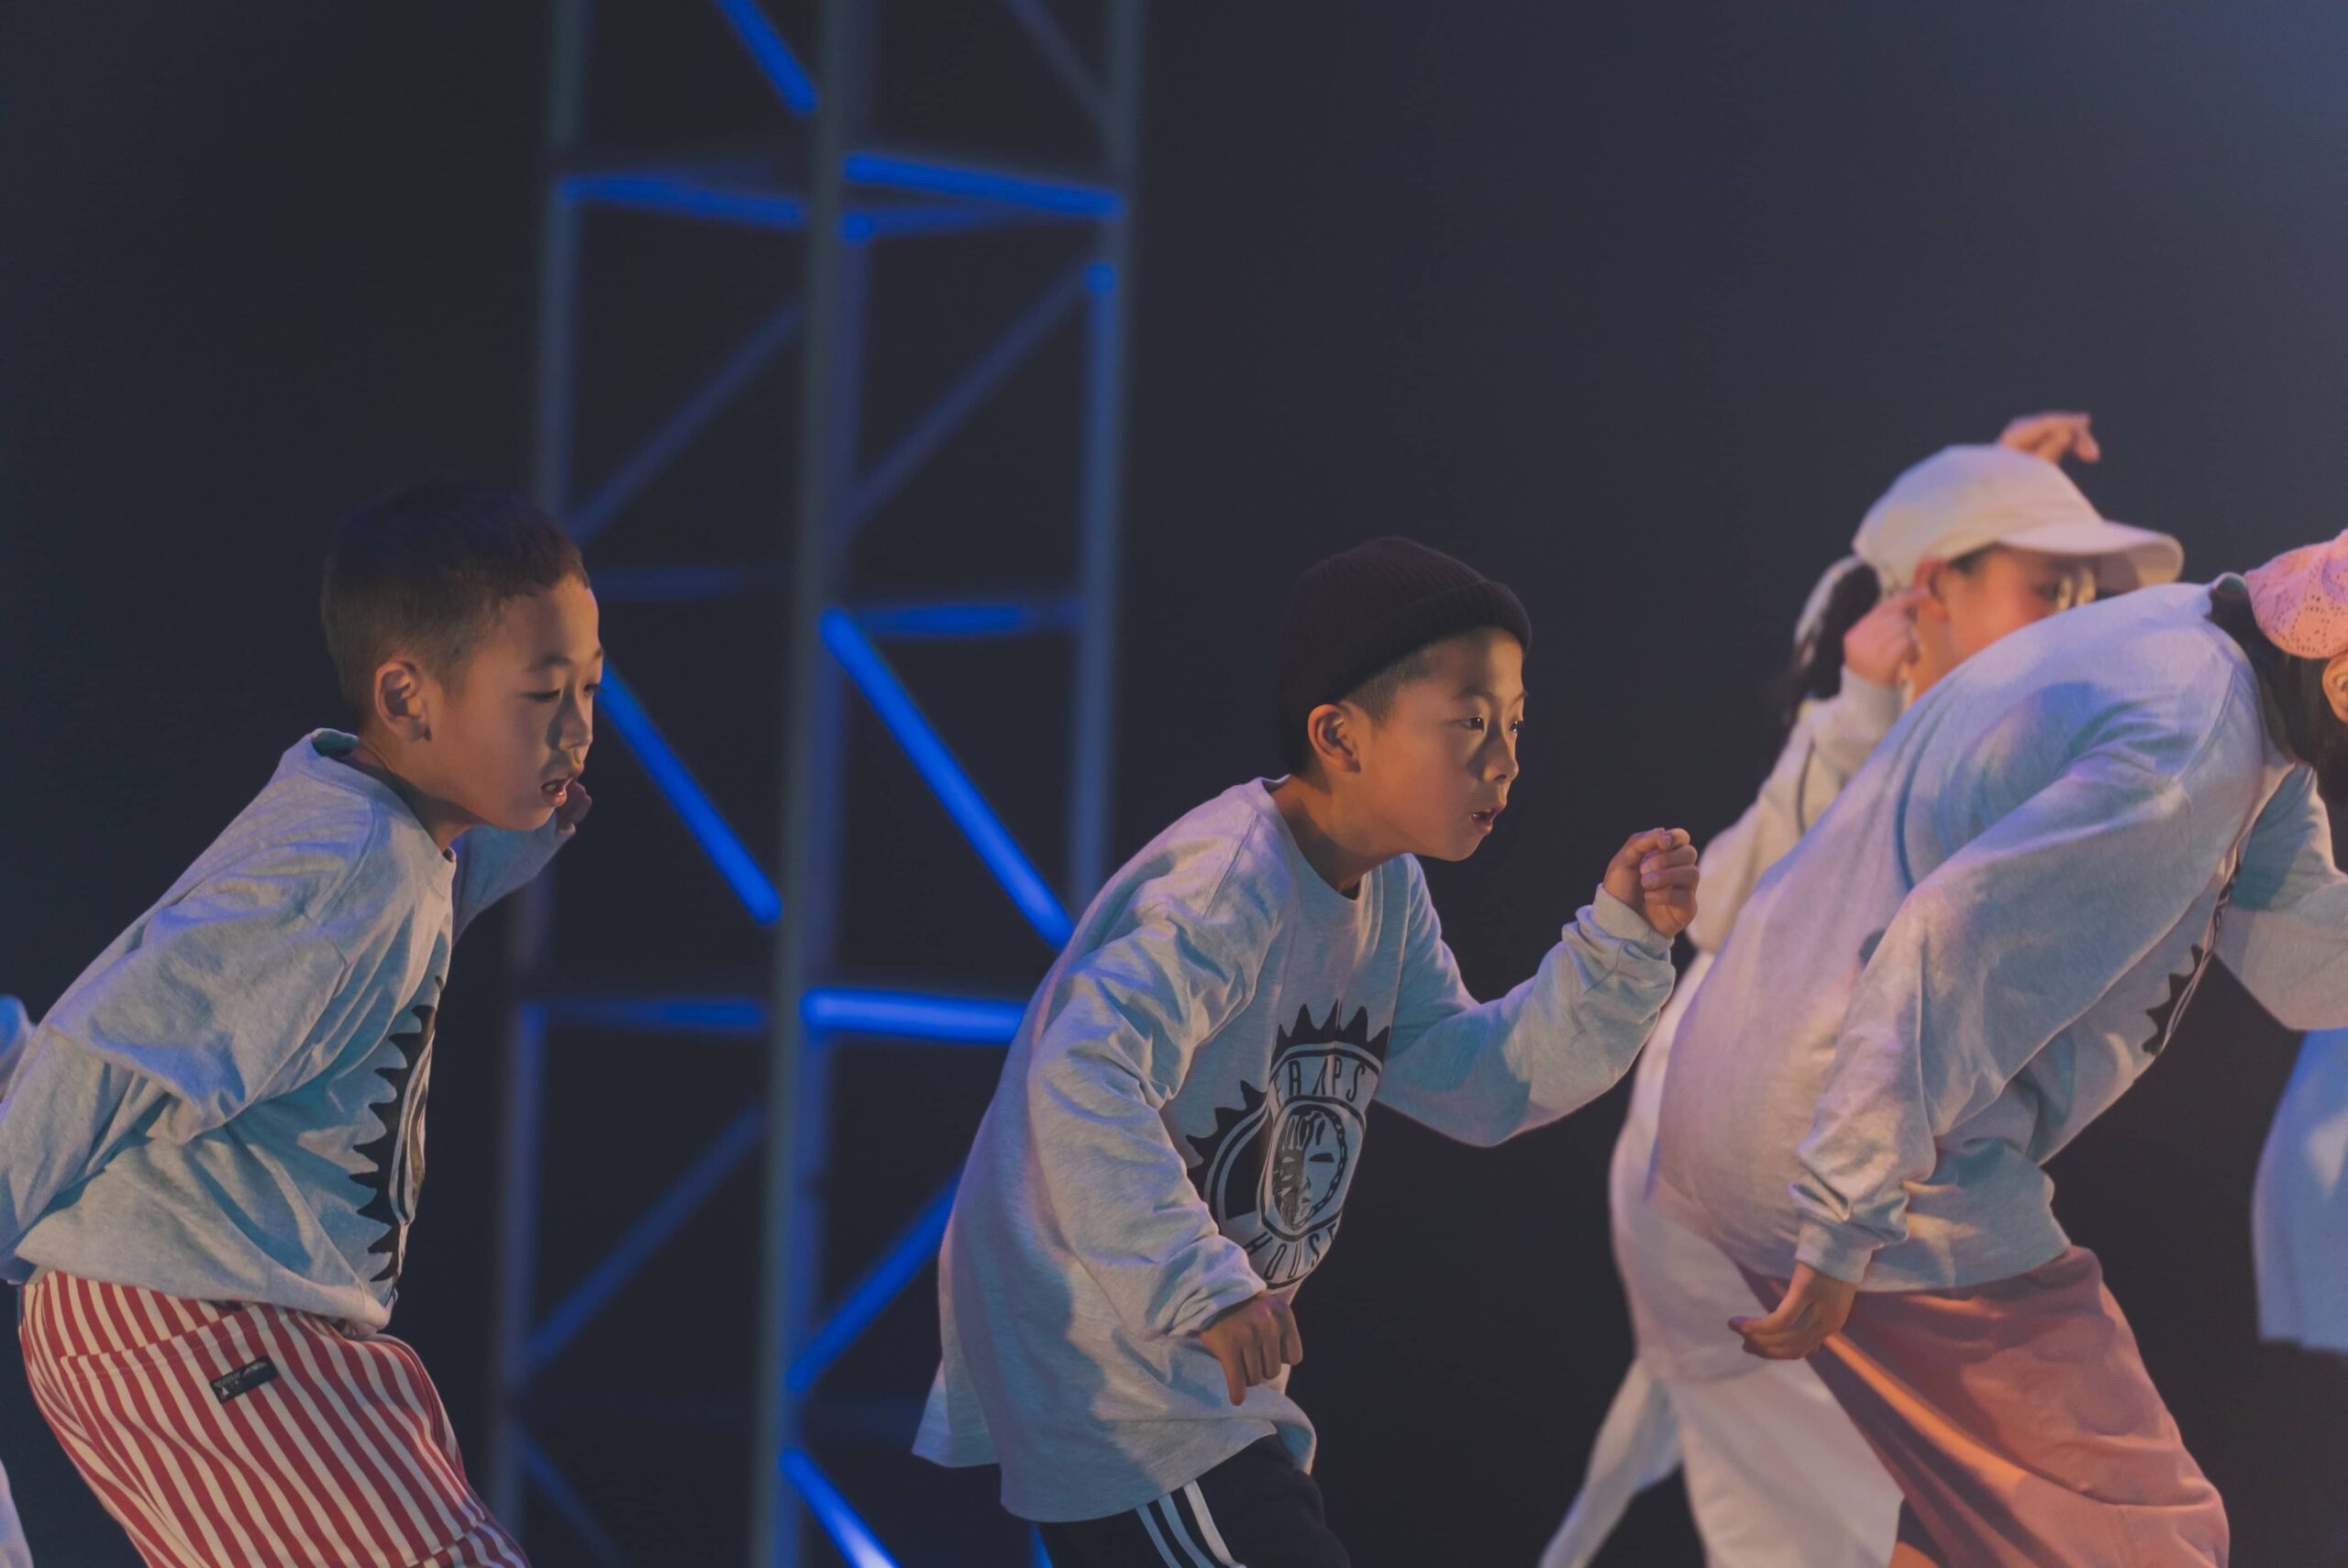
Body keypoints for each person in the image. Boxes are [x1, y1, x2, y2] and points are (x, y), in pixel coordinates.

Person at [915, 538, 1700, 1567]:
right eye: (1470, 722)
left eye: (1514, 722)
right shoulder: (1227, 883)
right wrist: (1203, 1285)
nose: (1505, 759)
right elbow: (1081, 1074)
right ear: (1339, 735)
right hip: (1121, 1380)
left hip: (1196, 1382)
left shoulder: (1386, 889)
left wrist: (1622, 944)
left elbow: (1478, 1079)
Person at [1545, 412, 2184, 1568]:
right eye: (2047, 589)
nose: (2074, 621)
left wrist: (1996, 496)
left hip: (1829, 1180)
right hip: (1752, 1180)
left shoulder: (1998, 730)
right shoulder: (1867, 734)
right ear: (1928, 591)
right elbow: (1719, 910)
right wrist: (1857, 708)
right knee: (1914, 1525)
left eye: (2082, 595)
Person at [1650, 524, 2348, 1567]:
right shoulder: (2191, 741)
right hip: (1857, 1139)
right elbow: (1952, 942)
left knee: (1974, 1536)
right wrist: (1842, 1217)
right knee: (2143, 1541)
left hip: (1794, 1105)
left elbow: (2302, 958)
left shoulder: (2214, 670)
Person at [0, 481, 598, 1568]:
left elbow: (418, 908)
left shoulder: (388, 833)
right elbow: (119, 1041)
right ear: (408, 697)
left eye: (591, 689)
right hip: (189, 1319)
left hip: (216, 1324)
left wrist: (519, 833)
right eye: (542, 695)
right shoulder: (340, 873)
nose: (578, 730)